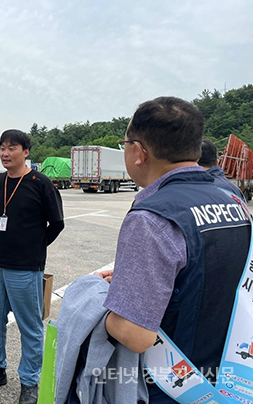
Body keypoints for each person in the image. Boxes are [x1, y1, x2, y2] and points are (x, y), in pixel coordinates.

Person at [97, 97, 251, 403]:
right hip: (230, 378)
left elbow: (136, 335)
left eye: (125, 144)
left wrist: (93, 303)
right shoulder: (233, 201)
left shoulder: (152, 217)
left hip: (174, 386)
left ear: (139, 152)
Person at [0, 129, 64, 404]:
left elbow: (57, 223)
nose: (5, 153)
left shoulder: (40, 183)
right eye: (2, 148)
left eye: (12, 148)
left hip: (25, 268)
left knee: (29, 325)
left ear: (26, 152)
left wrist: (35, 249)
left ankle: (30, 380)